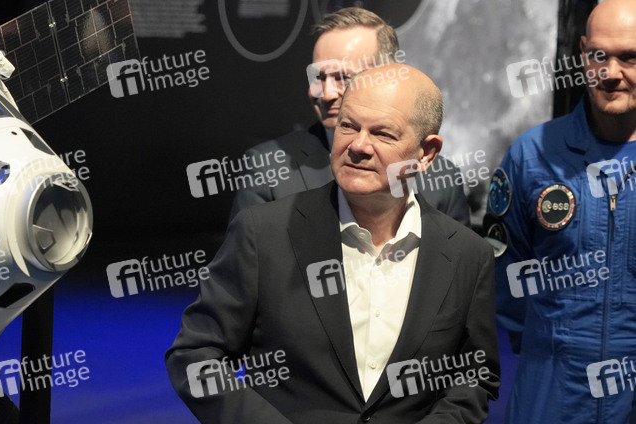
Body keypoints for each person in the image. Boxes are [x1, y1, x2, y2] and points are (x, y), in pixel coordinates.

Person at [167, 64, 499, 423]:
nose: (358, 146)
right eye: (348, 126)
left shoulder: (468, 255)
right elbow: (195, 355)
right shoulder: (263, 233)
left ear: (426, 152)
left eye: (382, 133)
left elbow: (474, 377)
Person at [489, 0, 636, 423]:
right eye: (599, 56)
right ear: (583, 53)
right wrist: (553, 345)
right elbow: (504, 277)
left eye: (629, 58)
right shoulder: (532, 155)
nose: (611, 73)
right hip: (550, 392)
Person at [229, 7, 471, 227]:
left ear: (386, 76)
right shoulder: (269, 169)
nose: (326, 94)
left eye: (344, 77)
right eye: (318, 77)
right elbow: (248, 258)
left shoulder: (442, 179)